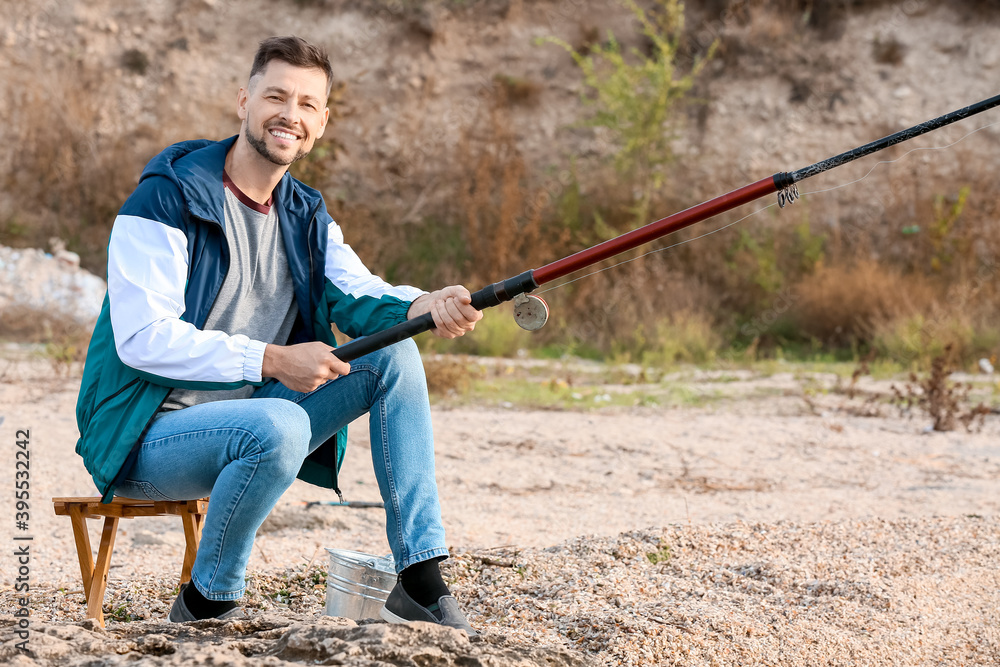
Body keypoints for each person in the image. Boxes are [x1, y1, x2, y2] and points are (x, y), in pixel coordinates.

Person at [74, 35, 482, 635]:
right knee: (280, 423)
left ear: (321, 122)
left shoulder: (305, 214)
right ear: (244, 101)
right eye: (276, 96)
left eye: (307, 104)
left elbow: (361, 292)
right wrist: (269, 359)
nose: (290, 114)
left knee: (393, 354)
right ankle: (209, 597)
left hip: (255, 416)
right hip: (147, 435)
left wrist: (425, 302)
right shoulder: (165, 199)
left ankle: (420, 575)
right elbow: (143, 338)